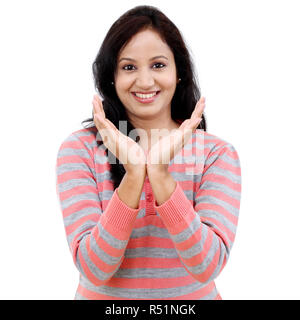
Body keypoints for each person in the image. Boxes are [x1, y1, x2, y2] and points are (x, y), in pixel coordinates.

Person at [55, 5, 242, 300]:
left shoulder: (215, 154)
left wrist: (159, 174)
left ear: (179, 72)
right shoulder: (80, 150)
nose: (145, 82)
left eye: (158, 65)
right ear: (111, 78)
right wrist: (133, 176)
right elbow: (94, 269)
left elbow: (207, 266)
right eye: (129, 67)